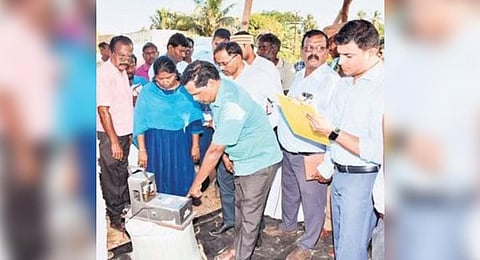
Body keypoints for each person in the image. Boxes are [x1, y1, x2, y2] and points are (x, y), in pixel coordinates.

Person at [183, 60, 282, 260]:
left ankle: (241, 256)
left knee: (249, 215)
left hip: (259, 161)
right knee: (240, 207)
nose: (196, 99)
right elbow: (223, 132)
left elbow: (214, 150)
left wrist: (196, 184)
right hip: (243, 159)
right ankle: (238, 248)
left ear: (210, 83)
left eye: (196, 93)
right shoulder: (221, 90)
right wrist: (228, 156)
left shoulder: (231, 103)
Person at [306, 20, 383, 260]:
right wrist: (328, 166)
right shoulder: (344, 84)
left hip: (364, 178)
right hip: (340, 174)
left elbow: (380, 149)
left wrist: (333, 132)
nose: (342, 62)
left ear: (371, 51)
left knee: (352, 251)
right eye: (339, 55)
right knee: (341, 245)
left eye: (349, 56)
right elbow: (332, 130)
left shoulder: (385, 88)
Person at [265, 29, 339, 260]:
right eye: (308, 48)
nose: (313, 53)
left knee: (312, 201)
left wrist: (328, 158)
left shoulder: (332, 81)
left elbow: (333, 122)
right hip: (289, 147)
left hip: (311, 151)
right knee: (289, 193)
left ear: (328, 51)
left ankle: (308, 243)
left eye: (319, 48)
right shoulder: (299, 74)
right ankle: (288, 227)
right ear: (302, 50)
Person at [211, 42, 282, 243]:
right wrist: (224, 154)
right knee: (229, 189)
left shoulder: (259, 77)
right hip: (229, 147)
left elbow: (278, 104)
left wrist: (265, 129)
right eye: (218, 64)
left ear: (237, 56)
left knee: (252, 197)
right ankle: (233, 227)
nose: (222, 67)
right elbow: (219, 118)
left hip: (254, 148)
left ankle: (252, 235)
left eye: (224, 62)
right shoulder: (222, 82)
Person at [133, 56, 203, 196]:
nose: (165, 82)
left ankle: (181, 209)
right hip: (155, 143)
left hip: (180, 142)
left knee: (181, 176)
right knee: (157, 179)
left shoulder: (185, 90)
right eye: (160, 79)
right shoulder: (147, 92)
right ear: (155, 77)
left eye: (169, 78)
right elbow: (140, 121)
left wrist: (195, 146)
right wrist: (142, 150)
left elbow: (195, 119)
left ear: (175, 73)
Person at [97, 35, 134, 232]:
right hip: (110, 136)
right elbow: (103, 110)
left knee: (122, 173)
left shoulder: (121, 72)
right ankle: (115, 217)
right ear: (111, 53)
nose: (125, 60)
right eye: (121, 55)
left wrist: (127, 134)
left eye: (128, 56)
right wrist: (113, 141)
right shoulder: (104, 75)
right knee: (112, 176)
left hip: (122, 133)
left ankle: (124, 210)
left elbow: (123, 106)